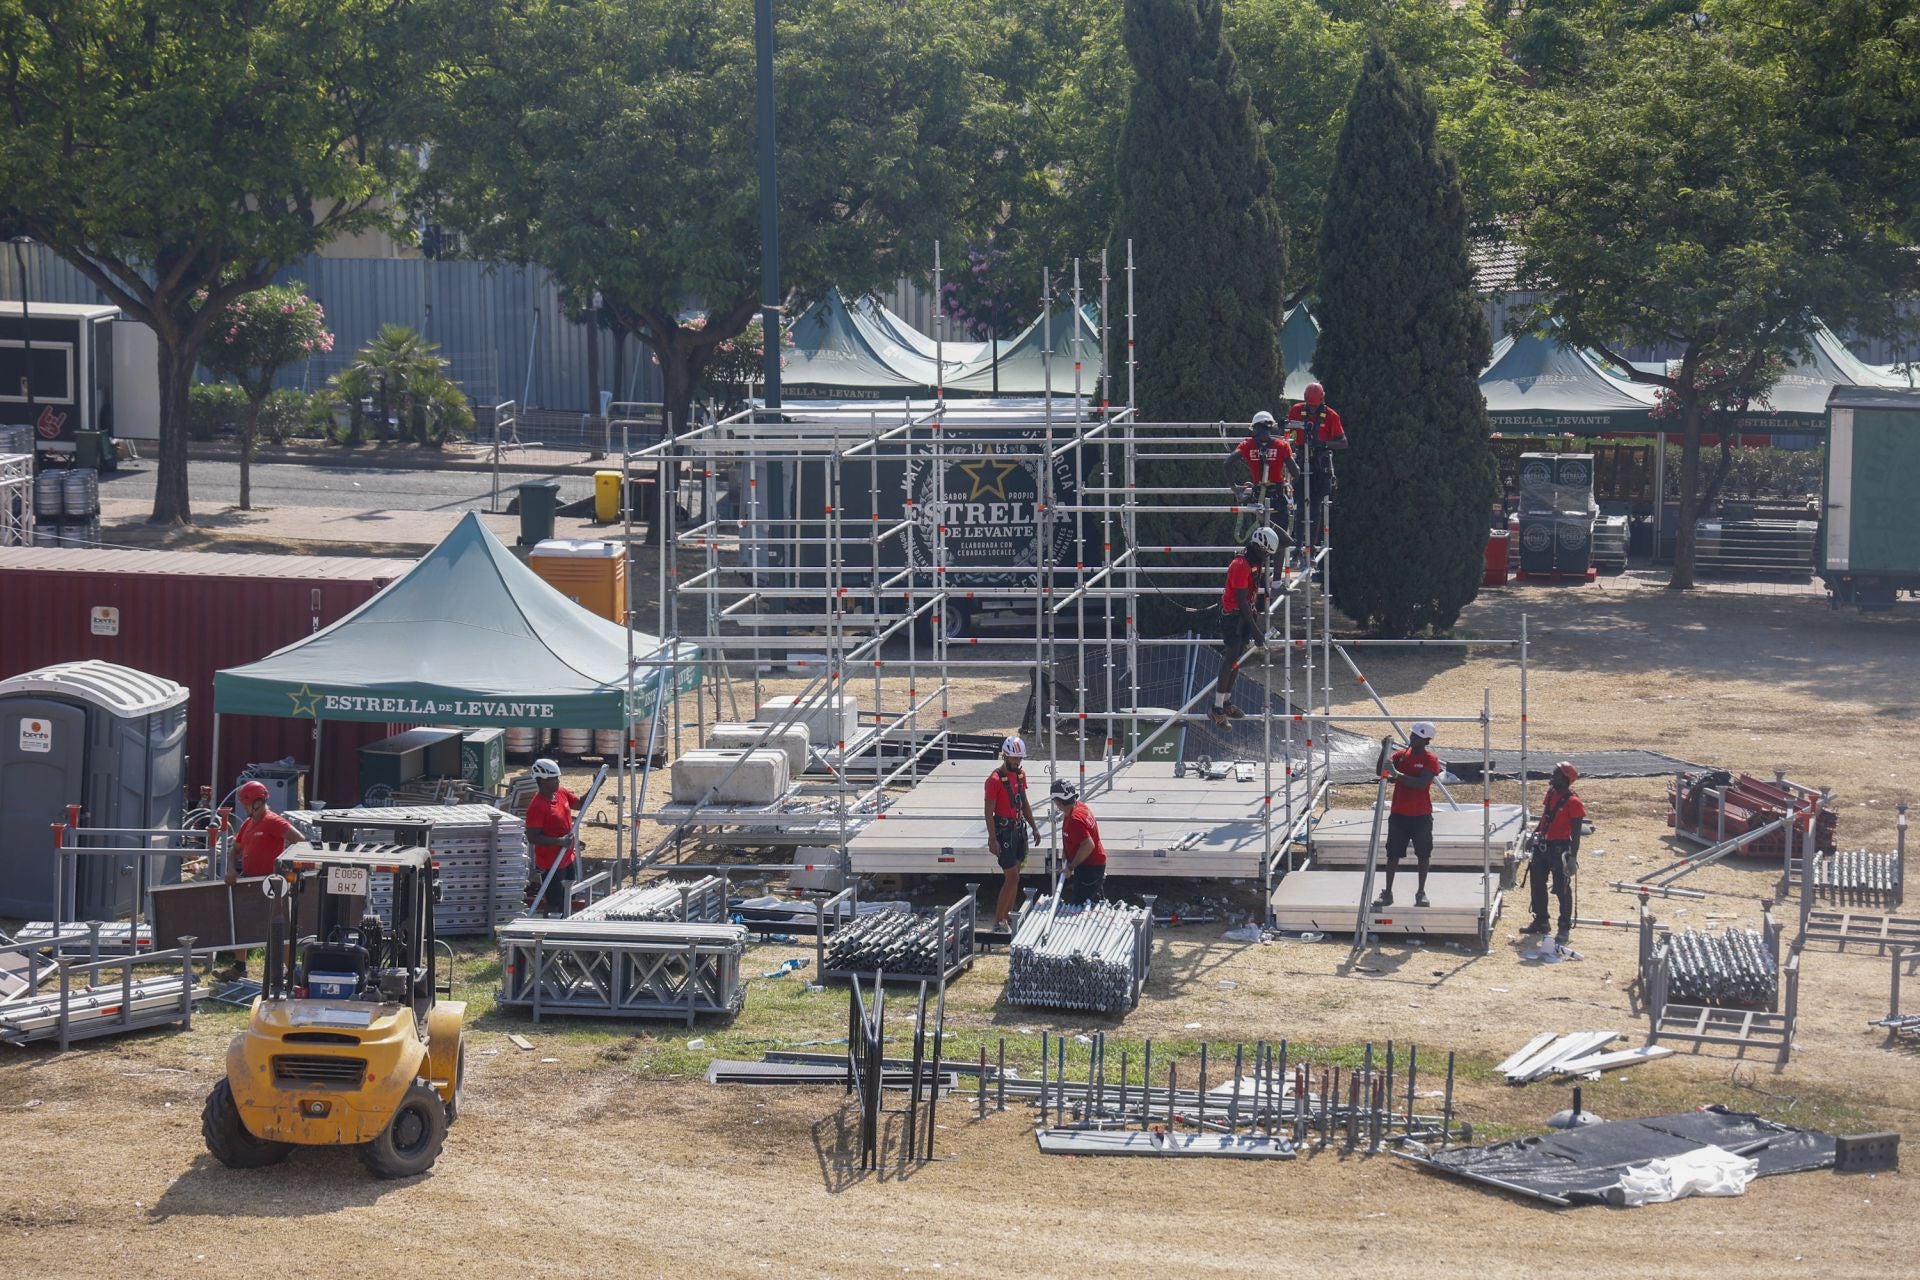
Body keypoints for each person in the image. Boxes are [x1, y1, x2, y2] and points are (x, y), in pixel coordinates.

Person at [218, 779, 305, 979]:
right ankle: (239, 967)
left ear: (257, 802)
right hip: (250, 881)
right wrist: (231, 870)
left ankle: (292, 970)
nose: (244, 808)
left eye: (246, 804)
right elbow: (235, 850)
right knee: (242, 922)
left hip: (272, 884)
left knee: (279, 926)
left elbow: (300, 840)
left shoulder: (273, 821)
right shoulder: (248, 824)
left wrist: (286, 868)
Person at [1212, 525, 1283, 728]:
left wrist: (1271, 523)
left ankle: (1226, 702)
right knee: (1230, 658)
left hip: (1244, 616)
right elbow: (1241, 601)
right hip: (1233, 617)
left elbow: (1286, 541)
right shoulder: (1240, 564)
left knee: (1237, 661)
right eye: (1266, 553)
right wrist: (1256, 631)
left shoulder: (1254, 560)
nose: (1267, 558)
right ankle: (1216, 708)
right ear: (1259, 547)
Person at [1373, 722, 1445, 910]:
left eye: (1416, 736)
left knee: (1423, 854)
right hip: (1399, 815)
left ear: (1426, 740)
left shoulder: (1430, 759)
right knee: (1393, 854)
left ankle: (1421, 892)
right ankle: (1388, 892)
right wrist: (1384, 751)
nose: (1411, 738)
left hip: (1421, 815)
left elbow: (1421, 783)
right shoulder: (1401, 756)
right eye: (1412, 735)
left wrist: (1397, 774)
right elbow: (1381, 772)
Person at [1524, 761, 1587, 944]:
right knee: (1537, 884)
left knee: (1562, 889)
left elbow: (1576, 834)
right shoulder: (1551, 793)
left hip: (1560, 849)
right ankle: (1541, 920)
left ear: (1565, 778)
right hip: (1543, 846)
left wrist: (1572, 858)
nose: (1552, 775)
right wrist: (1535, 834)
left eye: (1556, 773)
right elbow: (1546, 816)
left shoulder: (1573, 803)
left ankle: (1564, 927)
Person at [986, 736, 1042, 931]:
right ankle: (998, 921)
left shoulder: (1020, 775)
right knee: (1012, 877)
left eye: (1019, 758)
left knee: (1016, 875)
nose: (1017, 762)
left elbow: (1024, 803)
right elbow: (988, 811)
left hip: (1018, 829)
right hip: (1004, 832)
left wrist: (1034, 827)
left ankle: (1008, 918)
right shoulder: (994, 780)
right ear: (1005, 756)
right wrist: (992, 839)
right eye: (1013, 758)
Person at [1222, 411, 1300, 542]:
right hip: (1278, 496)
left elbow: (1227, 463)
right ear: (1270, 427)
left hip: (1258, 498)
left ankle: (1261, 555)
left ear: (1255, 428)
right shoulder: (1282, 445)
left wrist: (1233, 486)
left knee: (1262, 539)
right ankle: (1278, 556)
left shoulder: (1247, 445)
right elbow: (1296, 473)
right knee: (1279, 540)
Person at [1286, 383, 1347, 548]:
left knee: (1315, 507)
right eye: (1310, 406)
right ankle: (1298, 545)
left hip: (1320, 463)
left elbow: (1343, 442)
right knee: (1300, 505)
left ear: (1322, 400)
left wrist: (1323, 443)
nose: (1312, 410)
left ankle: (1311, 547)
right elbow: (1286, 432)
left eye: (1315, 406)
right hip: (1300, 460)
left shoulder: (1331, 416)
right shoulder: (1296, 411)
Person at [523, 758, 580, 917]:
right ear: (543, 781)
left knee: (568, 897)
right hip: (551, 862)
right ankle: (549, 925)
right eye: (554, 779)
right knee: (555, 902)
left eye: (558, 778)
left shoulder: (561, 793)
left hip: (567, 857)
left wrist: (595, 787)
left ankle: (566, 923)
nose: (558, 781)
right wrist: (559, 841)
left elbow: (580, 804)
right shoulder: (537, 806)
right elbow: (533, 837)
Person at [1050, 778, 1107, 906]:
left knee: (1082, 905)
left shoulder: (1075, 819)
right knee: (1091, 901)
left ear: (1058, 801)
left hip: (1090, 867)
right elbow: (1072, 837)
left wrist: (1071, 867)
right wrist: (1066, 854)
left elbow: (1088, 845)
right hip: (1088, 864)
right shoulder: (1077, 807)